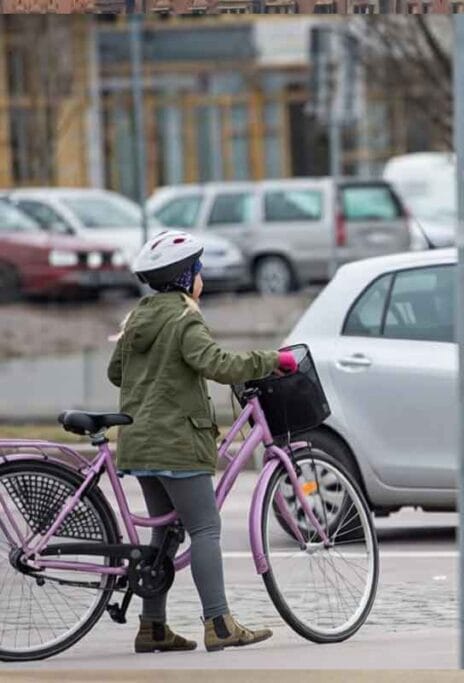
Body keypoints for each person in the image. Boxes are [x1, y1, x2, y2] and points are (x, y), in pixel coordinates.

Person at [107, 230, 298, 653]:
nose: (202, 280)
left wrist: (158, 373)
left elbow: (116, 374)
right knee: (205, 529)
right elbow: (215, 363)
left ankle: (152, 627)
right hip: (177, 441)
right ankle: (220, 623)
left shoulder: (138, 317)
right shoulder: (183, 317)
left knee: (166, 534)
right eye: (199, 272)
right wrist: (271, 360)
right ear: (185, 277)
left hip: (139, 442)